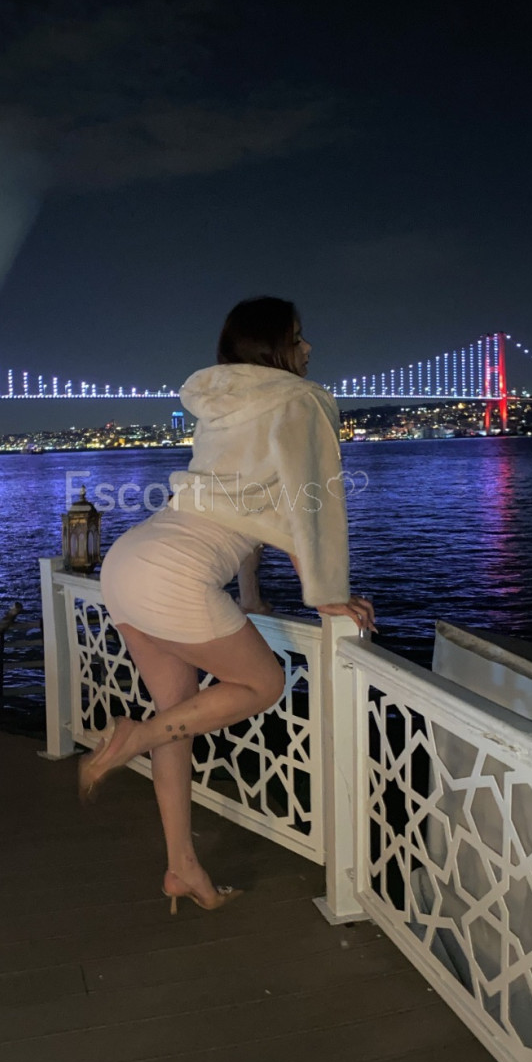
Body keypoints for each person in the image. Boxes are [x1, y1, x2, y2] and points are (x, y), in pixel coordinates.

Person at [80, 297, 376, 914]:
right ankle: (133, 737)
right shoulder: (301, 401)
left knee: (180, 719)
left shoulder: (225, 407)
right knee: (264, 683)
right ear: (275, 347)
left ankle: (182, 869)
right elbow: (305, 507)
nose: (309, 347)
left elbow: (241, 506)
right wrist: (328, 594)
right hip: (175, 575)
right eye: (298, 336)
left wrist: (249, 595)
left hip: (130, 561)